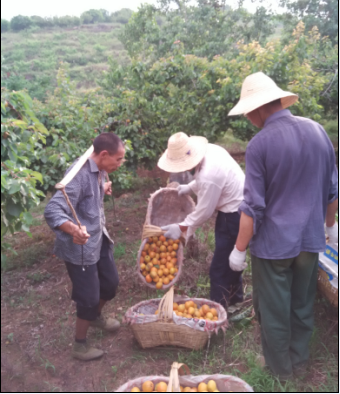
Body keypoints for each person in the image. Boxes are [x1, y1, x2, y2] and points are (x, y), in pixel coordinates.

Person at [228, 72, 339, 380]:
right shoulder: (318, 132)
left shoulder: (260, 145)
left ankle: (282, 375)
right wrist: (330, 227)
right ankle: (299, 362)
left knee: (275, 311)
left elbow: (252, 207)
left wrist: (238, 250)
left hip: (274, 247)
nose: (248, 117)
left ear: (258, 108)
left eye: (248, 111)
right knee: (302, 302)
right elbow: (333, 192)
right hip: (310, 241)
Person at [44, 133, 126, 361]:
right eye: (118, 159)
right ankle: (80, 345)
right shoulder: (78, 175)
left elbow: (91, 191)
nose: (120, 164)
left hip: (99, 238)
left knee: (110, 285)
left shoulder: (99, 168)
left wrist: (103, 186)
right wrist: (73, 230)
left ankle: (96, 317)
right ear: (104, 154)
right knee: (88, 297)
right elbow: (52, 210)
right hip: (79, 248)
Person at [157, 132, 246, 312]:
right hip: (238, 208)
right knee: (230, 260)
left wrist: (182, 227)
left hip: (234, 215)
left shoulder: (210, 175)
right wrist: (189, 187)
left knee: (219, 268)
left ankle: (217, 312)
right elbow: (202, 180)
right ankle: (235, 299)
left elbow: (204, 212)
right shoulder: (210, 150)